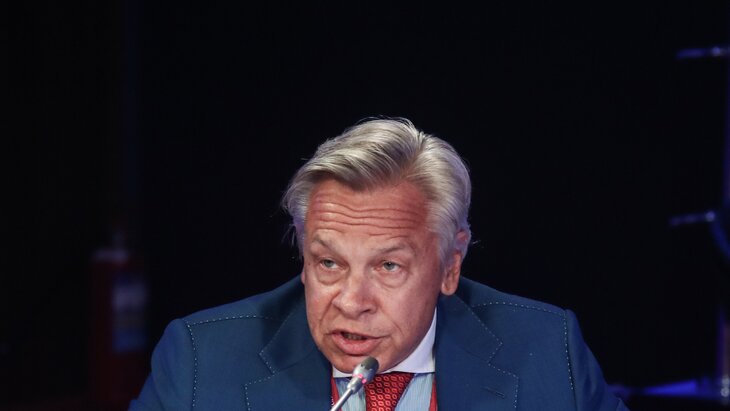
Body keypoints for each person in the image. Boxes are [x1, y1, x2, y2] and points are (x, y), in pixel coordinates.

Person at [130, 118, 628, 410]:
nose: (352, 302)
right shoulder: (201, 363)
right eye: (329, 263)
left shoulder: (548, 354)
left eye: (388, 267)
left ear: (450, 265)